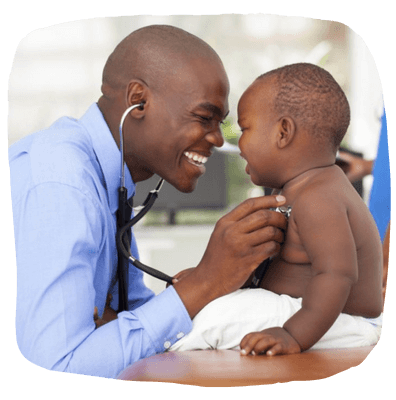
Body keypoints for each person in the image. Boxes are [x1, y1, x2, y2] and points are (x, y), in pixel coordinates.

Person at [10, 25, 287, 378]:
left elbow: (129, 318)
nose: (218, 139)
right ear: (138, 101)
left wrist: (218, 284)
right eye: (205, 118)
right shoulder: (63, 184)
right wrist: (205, 280)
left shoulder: (110, 183)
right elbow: (60, 364)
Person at [170, 63, 383, 356]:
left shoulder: (319, 198)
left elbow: (337, 275)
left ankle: (147, 345)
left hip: (336, 321)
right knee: (212, 306)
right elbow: (270, 263)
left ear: (283, 132)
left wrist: (292, 334)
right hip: (309, 312)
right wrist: (208, 283)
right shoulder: (294, 190)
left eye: (245, 128)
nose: (238, 143)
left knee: (213, 319)